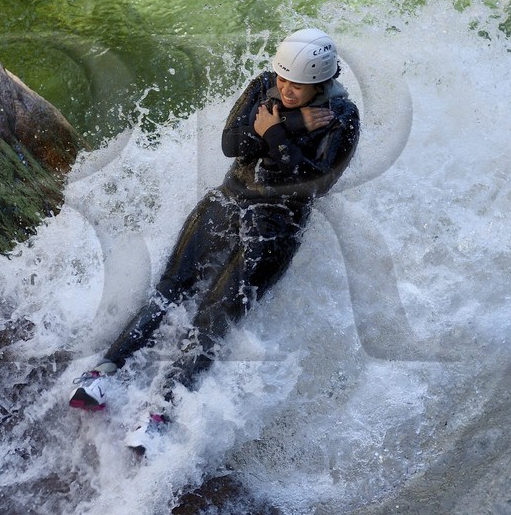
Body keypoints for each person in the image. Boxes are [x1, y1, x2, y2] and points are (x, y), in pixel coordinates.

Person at [68, 27, 361, 451]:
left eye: (297, 87)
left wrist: (276, 133)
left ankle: (157, 418)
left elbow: (314, 187)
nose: (285, 89)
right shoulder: (264, 84)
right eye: (283, 79)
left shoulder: (343, 117)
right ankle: (103, 374)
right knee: (169, 290)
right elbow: (230, 144)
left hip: (276, 227)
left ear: (319, 83)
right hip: (229, 200)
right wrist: (293, 121)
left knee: (212, 319)